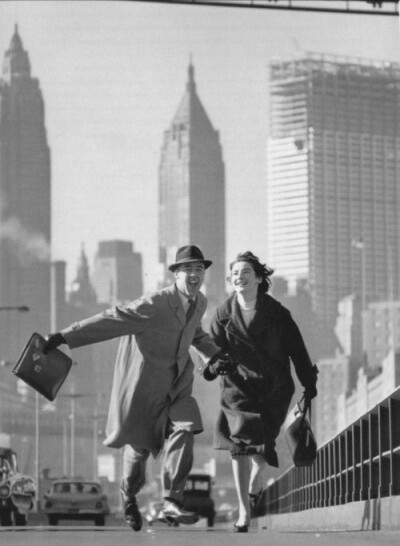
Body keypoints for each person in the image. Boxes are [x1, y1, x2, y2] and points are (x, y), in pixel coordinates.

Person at [44, 245, 225, 532]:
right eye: (188, 269)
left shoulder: (199, 302)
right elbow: (113, 319)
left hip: (178, 387)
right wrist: (64, 336)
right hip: (145, 391)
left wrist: (214, 354)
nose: (195, 275)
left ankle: (171, 501)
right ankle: (128, 495)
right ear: (175, 274)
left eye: (199, 270)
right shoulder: (154, 303)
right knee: (138, 454)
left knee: (187, 427)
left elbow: (196, 334)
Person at [203, 251, 318, 533]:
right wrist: (214, 367)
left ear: (258, 278)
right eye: (234, 273)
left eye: (245, 272)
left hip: (274, 389)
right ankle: (244, 511)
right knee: (239, 448)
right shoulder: (222, 314)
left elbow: (297, 350)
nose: (239, 277)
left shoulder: (278, 314)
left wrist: (308, 382)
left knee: (263, 449)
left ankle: (255, 483)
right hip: (237, 388)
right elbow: (210, 351)